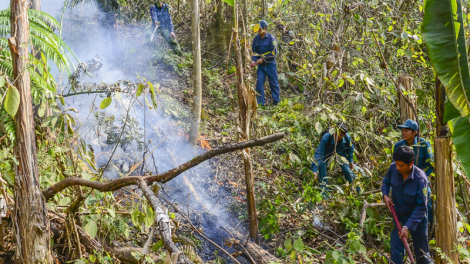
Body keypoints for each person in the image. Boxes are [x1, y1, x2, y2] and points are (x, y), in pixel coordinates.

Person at [382, 145, 432, 264]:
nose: (398, 168)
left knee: (422, 256)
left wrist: (407, 227)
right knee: (396, 254)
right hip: (398, 217)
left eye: (401, 166)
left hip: (417, 220)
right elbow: (386, 181)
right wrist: (385, 195)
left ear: (411, 163)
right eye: (397, 164)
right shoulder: (393, 168)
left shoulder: (420, 179)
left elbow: (421, 208)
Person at [394, 119, 434, 227]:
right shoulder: (398, 146)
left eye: (407, 130)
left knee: (427, 202)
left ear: (415, 132)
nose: (403, 133)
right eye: (403, 130)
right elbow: (395, 166)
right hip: (404, 180)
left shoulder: (424, 144)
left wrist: (420, 177)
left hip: (421, 180)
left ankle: (432, 227)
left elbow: (430, 164)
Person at [310, 123, 357, 195]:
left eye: (340, 135)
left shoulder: (347, 137)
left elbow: (350, 148)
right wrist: (314, 170)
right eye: (336, 133)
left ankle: (356, 190)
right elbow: (318, 154)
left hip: (341, 154)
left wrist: (350, 161)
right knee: (322, 167)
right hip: (326, 154)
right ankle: (324, 192)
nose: (337, 136)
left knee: (348, 171)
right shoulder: (326, 137)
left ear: (343, 135)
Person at [250, 20, 280, 106]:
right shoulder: (256, 39)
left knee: (273, 82)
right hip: (261, 67)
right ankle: (260, 103)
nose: (258, 30)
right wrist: (253, 60)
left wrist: (263, 59)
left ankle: (276, 101)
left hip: (271, 64)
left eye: (260, 28)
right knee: (259, 82)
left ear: (265, 28)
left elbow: (274, 52)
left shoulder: (271, 38)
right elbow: (254, 51)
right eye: (258, 29)